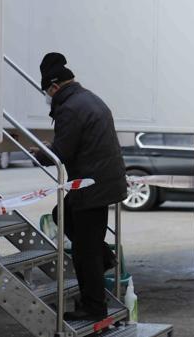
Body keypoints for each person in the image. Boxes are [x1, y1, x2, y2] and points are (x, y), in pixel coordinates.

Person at [31, 52, 128, 321]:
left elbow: (63, 150)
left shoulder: (70, 108)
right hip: (101, 183)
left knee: (85, 253)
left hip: (91, 188)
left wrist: (38, 154)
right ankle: (105, 256)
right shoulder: (88, 99)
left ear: (54, 87)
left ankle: (94, 307)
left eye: (47, 92)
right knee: (61, 216)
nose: (48, 97)